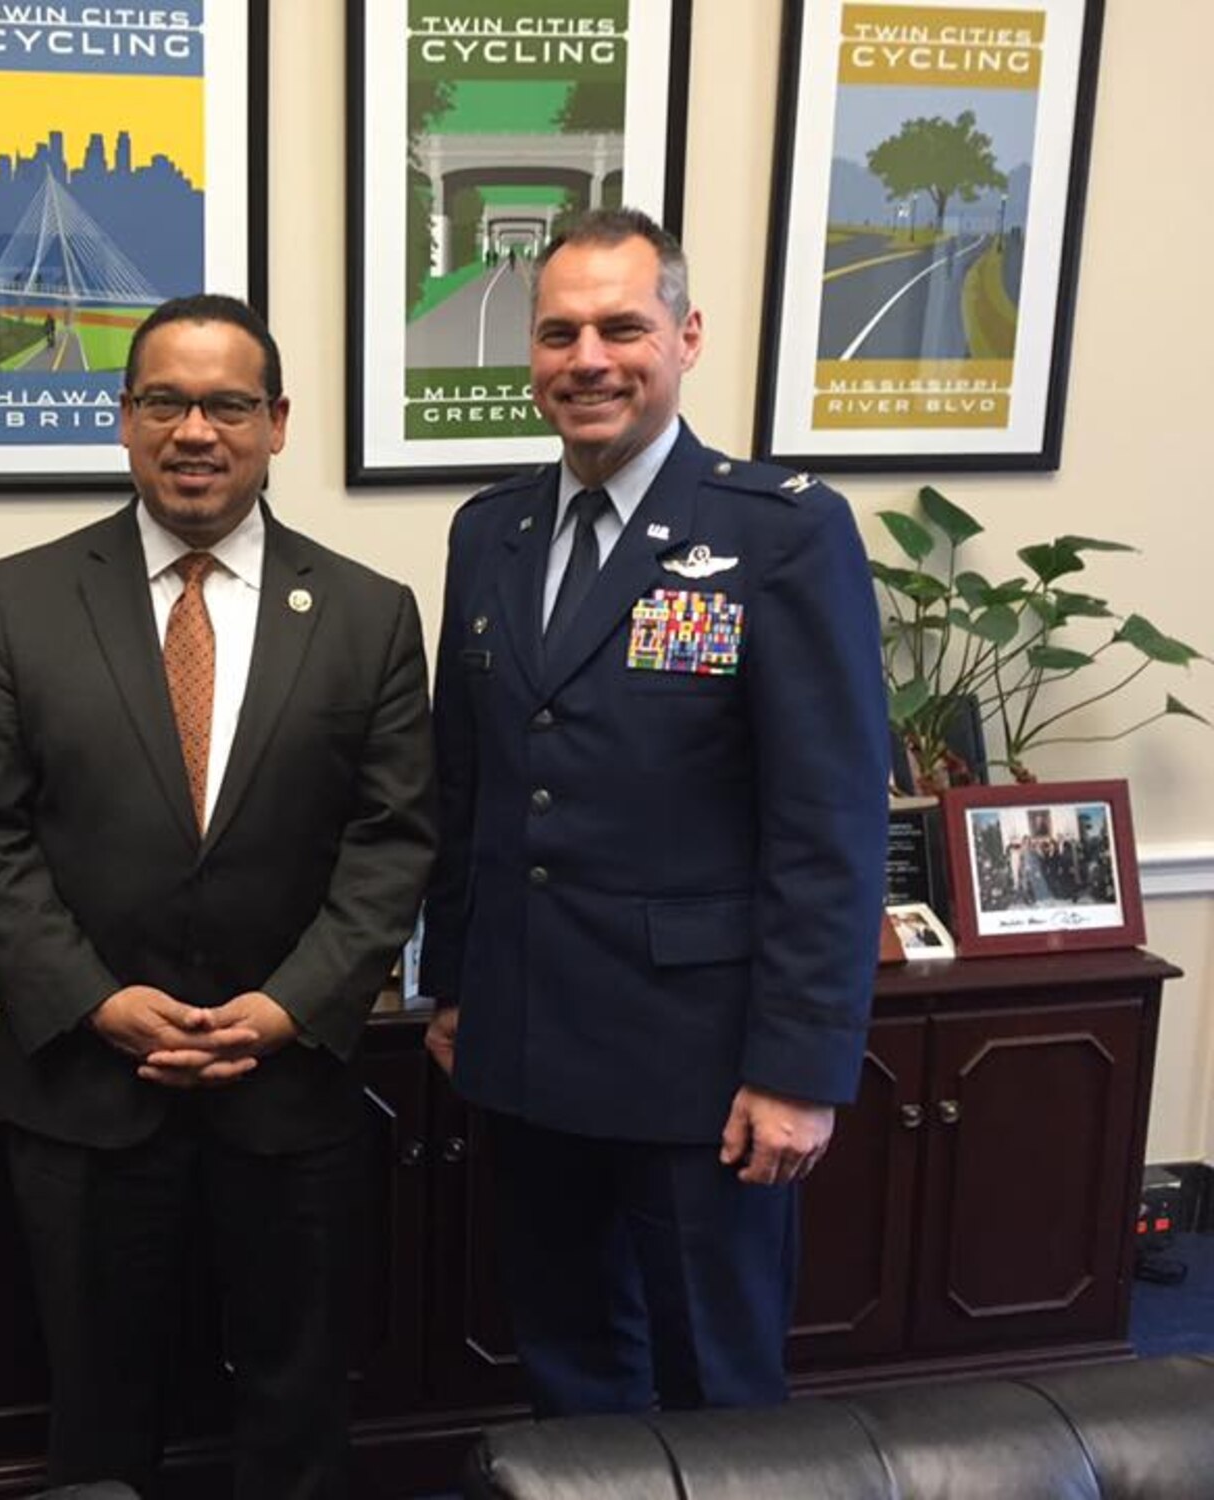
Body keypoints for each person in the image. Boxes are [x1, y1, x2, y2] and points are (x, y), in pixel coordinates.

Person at [0, 293, 436, 1497]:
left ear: (274, 423)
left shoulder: (368, 614)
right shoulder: (18, 599)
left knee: (295, 1409)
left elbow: (394, 840)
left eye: (225, 404)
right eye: (164, 400)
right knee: (100, 1415)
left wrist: (289, 1005)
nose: (193, 430)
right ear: (122, 421)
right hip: (87, 1094)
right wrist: (98, 1002)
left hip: (291, 1093)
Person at [421, 208, 889, 1416]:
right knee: (567, 1361)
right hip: (525, 1039)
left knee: (714, 1377)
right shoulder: (490, 535)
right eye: (557, 332)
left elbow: (825, 823)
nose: (587, 359)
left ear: (683, 336)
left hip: (702, 1066)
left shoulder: (778, 533)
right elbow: (467, 781)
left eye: (620, 327)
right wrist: (454, 985)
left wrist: (798, 1067)